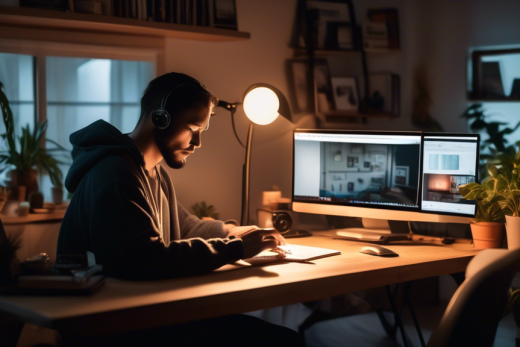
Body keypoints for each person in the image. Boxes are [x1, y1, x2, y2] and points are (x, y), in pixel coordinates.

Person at [57, 72, 301, 346]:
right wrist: (236, 248)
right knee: (282, 341)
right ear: (160, 118)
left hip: (145, 314)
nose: (197, 144)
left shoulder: (150, 170)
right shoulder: (115, 174)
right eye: (193, 129)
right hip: (111, 328)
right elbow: (142, 258)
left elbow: (184, 227)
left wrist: (231, 230)